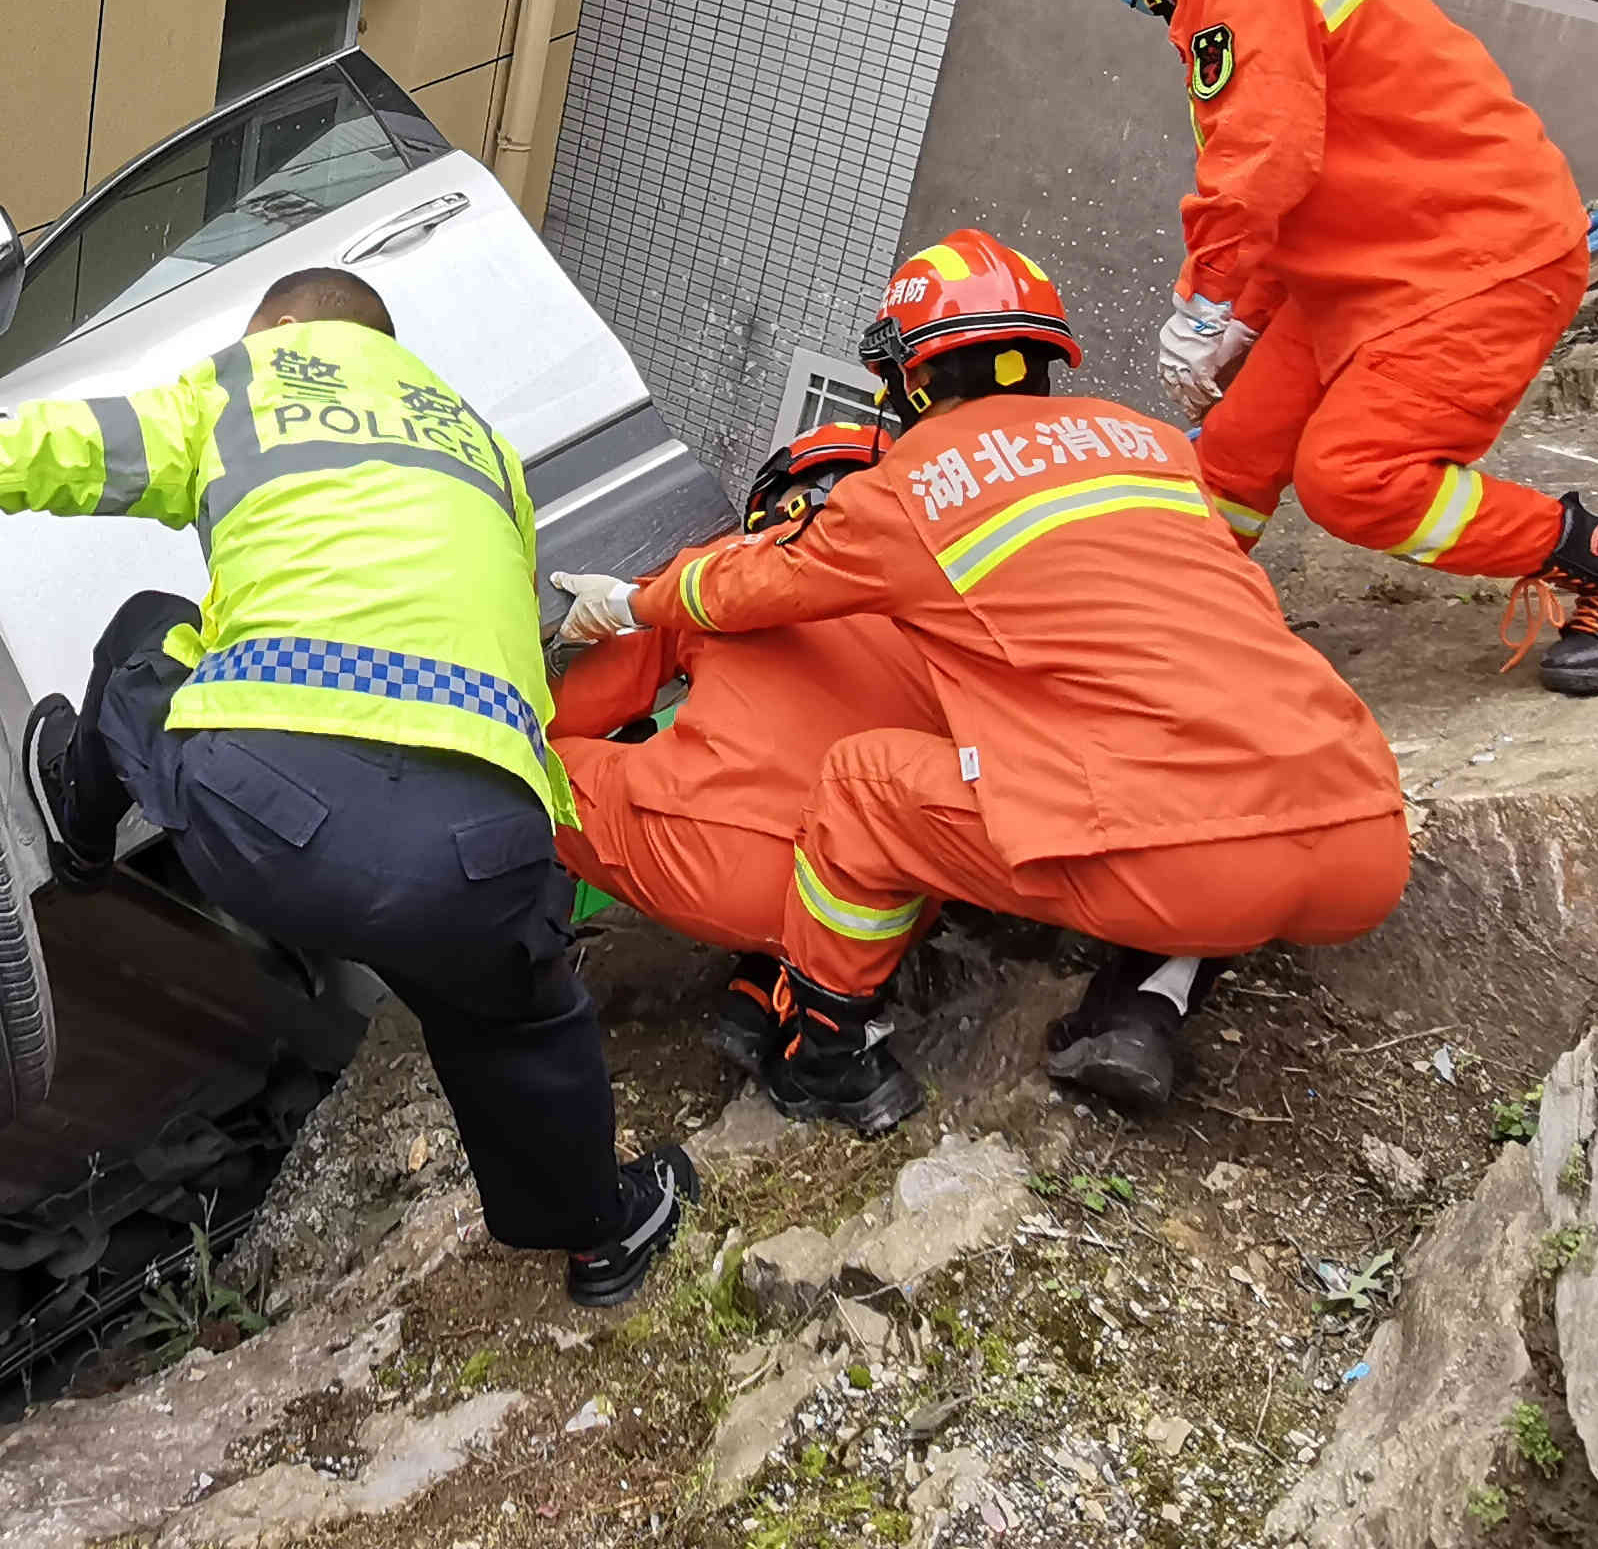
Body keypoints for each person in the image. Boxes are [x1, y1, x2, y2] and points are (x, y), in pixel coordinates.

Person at [0, 266, 698, 1306]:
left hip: (272, 811)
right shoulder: (481, 450)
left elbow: (41, 449)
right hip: (483, 850)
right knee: (517, 1025)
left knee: (146, 633)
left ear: (279, 325)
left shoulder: (244, 386)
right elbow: (505, 631)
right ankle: (602, 1237)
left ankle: (79, 824)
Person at [562, 231, 1412, 1116]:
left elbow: (747, 585)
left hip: (1179, 851)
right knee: (1215, 824)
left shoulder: (911, 488)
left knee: (866, 784)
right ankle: (1144, 1005)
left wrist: (631, 602)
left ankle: (827, 1056)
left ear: (913, 380)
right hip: (1361, 829)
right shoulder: (1153, 445)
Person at [1059, 0, 1598, 697]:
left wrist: (1205, 303)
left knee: (1356, 481)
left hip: (1469, 265)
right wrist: (1241, 318)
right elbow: (1305, 186)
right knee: (1237, 452)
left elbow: (1262, 160)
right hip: (1394, 257)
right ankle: (1188, 616)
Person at [544, 421, 952, 1134]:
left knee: (522, 764)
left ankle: (526, 945)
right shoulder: (944, 619)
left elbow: (574, 713)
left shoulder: (726, 574)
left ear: (774, 508)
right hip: (882, 909)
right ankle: (775, 988)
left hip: (722, 867)